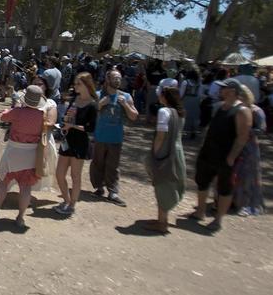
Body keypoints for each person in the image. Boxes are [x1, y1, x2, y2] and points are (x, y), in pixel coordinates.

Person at [190, 78, 253, 232]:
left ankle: (218, 220)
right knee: (202, 181)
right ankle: (200, 211)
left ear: (232, 91)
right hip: (209, 152)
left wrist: (231, 157)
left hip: (225, 156)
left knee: (224, 187)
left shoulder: (242, 111)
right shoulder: (220, 107)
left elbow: (242, 137)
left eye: (224, 88)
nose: (220, 90)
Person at [0, 85, 50, 228]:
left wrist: (14, 108)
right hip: (31, 154)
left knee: (3, 182)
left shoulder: (17, 112)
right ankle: (20, 217)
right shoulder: (42, 115)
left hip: (14, 150)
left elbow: (3, 117)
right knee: (26, 187)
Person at [143, 84, 187, 234]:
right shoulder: (180, 114)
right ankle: (162, 218)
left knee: (162, 184)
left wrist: (154, 154)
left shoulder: (164, 112)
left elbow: (161, 135)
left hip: (165, 151)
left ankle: (162, 222)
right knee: (168, 183)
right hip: (177, 151)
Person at [90, 70, 138, 207]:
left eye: (119, 78)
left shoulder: (126, 96)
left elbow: (134, 116)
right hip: (100, 136)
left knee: (113, 166)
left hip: (116, 137)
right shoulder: (99, 95)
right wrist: (100, 104)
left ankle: (113, 192)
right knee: (97, 163)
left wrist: (126, 105)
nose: (117, 80)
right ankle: (99, 188)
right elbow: (90, 113)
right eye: (115, 77)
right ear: (107, 79)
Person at [55, 72, 97, 216]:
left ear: (86, 85)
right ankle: (67, 200)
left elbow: (91, 128)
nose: (75, 86)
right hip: (67, 140)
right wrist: (65, 124)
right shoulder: (73, 99)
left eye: (79, 83)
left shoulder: (92, 105)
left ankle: (72, 205)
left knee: (75, 176)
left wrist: (73, 126)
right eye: (75, 83)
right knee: (59, 173)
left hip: (80, 143)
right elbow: (68, 117)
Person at [232, 84, 267, 216]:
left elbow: (262, 129)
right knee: (235, 173)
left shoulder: (256, 111)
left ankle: (246, 203)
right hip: (236, 143)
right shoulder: (236, 109)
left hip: (249, 146)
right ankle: (234, 200)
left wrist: (246, 130)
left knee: (248, 175)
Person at [180, 70, 202, 140]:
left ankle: (182, 131)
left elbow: (181, 93)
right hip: (195, 100)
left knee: (185, 116)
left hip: (186, 99)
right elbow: (199, 94)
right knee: (194, 117)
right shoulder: (198, 83)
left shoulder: (185, 82)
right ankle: (193, 131)